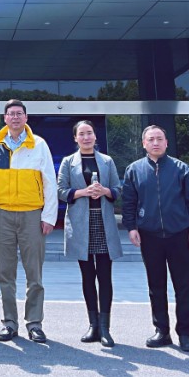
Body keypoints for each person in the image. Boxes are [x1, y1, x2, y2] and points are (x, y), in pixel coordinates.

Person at [122, 125, 189, 352]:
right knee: (156, 286)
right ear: (144, 143)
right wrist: (131, 227)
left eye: (159, 138)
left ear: (166, 142)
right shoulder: (134, 170)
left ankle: (185, 333)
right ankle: (162, 331)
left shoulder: (181, 168)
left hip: (179, 234)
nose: (155, 143)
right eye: (151, 139)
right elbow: (128, 202)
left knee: (184, 286)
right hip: (149, 236)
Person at [0, 99, 58, 343]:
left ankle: (34, 323)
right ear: (5, 118)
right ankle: (9, 322)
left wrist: (48, 216)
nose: (15, 117)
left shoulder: (39, 144)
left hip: (32, 215)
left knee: (34, 273)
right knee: (5, 273)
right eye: (11, 114)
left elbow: (49, 181)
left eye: (19, 113)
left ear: (26, 118)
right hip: (3, 215)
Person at [57, 120, 123, 347]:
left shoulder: (107, 161)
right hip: (80, 223)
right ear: (75, 138)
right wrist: (83, 192)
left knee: (105, 275)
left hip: (103, 222)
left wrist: (105, 191)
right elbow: (61, 191)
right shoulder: (68, 162)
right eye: (82, 134)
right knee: (87, 276)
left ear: (95, 136)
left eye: (89, 133)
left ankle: (105, 328)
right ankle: (92, 325)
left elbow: (117, 189)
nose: (86, 137)